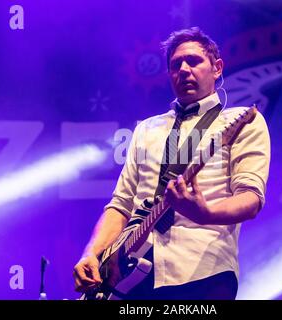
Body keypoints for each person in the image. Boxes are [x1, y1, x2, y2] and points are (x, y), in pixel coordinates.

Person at [73, 27, 270, 300]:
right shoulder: (146, 129)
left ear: (217, 68)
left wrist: (206, 214)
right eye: (176, 64)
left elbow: (251, 198)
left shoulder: (238, 122)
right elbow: (120, 205)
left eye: (194, 61)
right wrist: (92, 254)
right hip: (132, 277)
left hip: (203, 273)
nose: (185, 69)